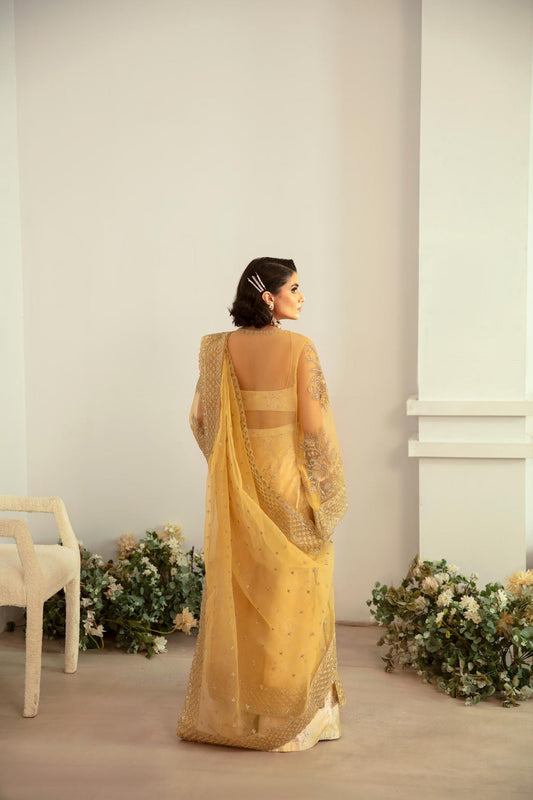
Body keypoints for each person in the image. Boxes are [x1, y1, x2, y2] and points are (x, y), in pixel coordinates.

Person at [177, 257, 347, 751]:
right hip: (288, 486)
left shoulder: (217, 349)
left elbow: (199, 418)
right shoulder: (300, 348)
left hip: (240, 491)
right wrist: (323, 489)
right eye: (294, 288)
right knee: (293, 594)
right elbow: (314, 428)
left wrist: (231, 466)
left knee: (250, 594)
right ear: (269, 297)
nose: (302, 297)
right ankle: (296, 717)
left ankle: (248, 712)